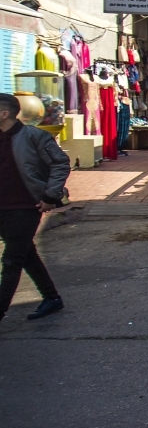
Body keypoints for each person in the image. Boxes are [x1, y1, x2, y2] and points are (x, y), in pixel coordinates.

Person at [0, 94, 70, 325]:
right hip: (3, 208)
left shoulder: (34, 136)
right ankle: (52, 297)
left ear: (5, 113)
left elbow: (60, 163)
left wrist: (51, 195)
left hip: (26, 206)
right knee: (25, 254)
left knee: (11, 260)